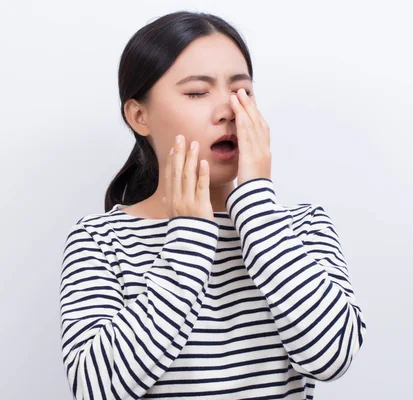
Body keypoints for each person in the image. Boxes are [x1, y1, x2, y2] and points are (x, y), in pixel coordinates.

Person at [59, 10, 366, 399]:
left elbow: (332, 357)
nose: (229, 112)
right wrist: (189, 238)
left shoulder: (301, 227)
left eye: (242, 92)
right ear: (139, 116)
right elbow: (96, 389)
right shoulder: (99, 241)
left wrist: (256, 206)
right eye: (196, 93)